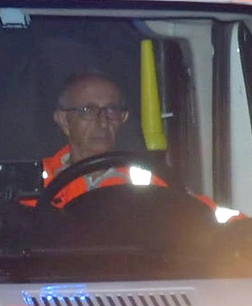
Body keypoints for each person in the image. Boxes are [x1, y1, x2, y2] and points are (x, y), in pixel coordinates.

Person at [38, 71, 165, 208]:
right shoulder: (37, 182)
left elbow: (186, 216)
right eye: (88, 111)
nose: (103, 122)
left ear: (122, 118)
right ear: (64, 121)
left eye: (111, 110)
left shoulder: (150, 180)